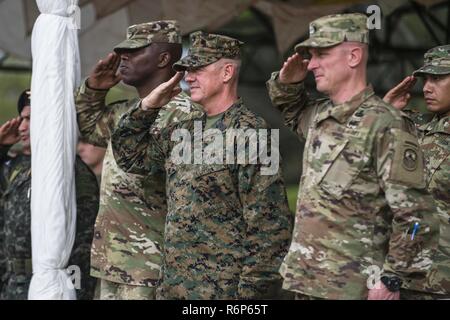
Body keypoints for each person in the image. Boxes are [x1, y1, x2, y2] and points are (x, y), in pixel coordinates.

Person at [266, 13, 438, 300]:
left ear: (354, 56)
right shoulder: (321, 116)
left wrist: (393, 278)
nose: (312, 64)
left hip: (353, 289)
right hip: (307, 284)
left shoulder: (386, 123)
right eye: (311, 56)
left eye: (322, 54)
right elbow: (291, 110)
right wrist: (287, 82)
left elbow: (417, 217)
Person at [112, 31, 292, 299]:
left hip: (223, 291)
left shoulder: (251, 133)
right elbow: (130, 157)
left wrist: (249, 295)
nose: (188, 77)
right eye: (186, 69)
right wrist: (148, 106)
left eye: (197, 69)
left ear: (227, 72)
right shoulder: (183, 128)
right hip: (175, 287)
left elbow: (269, 226)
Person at [75, 20, 203, 299]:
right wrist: (95, 89)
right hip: (113, 262)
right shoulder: (126, 112)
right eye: (123, 51)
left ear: (164, 58)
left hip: (152, 266)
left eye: (135, 51)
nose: (124, 57)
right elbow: (87, 128)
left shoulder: (185, 115)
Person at [0, 90, 99, 300]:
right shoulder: (19, 167)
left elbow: (83, 245)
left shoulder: (71, 172)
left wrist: (77, 292)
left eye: (30, 119)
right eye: (21, 119)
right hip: (12, 284)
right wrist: (2, 147)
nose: (22, 127)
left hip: (48, 285)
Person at [383, 44, 450, 299]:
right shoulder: (418, 127)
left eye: (437, 78)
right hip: (411, 279)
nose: (426, 88)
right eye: (425, 79)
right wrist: (386, 108)